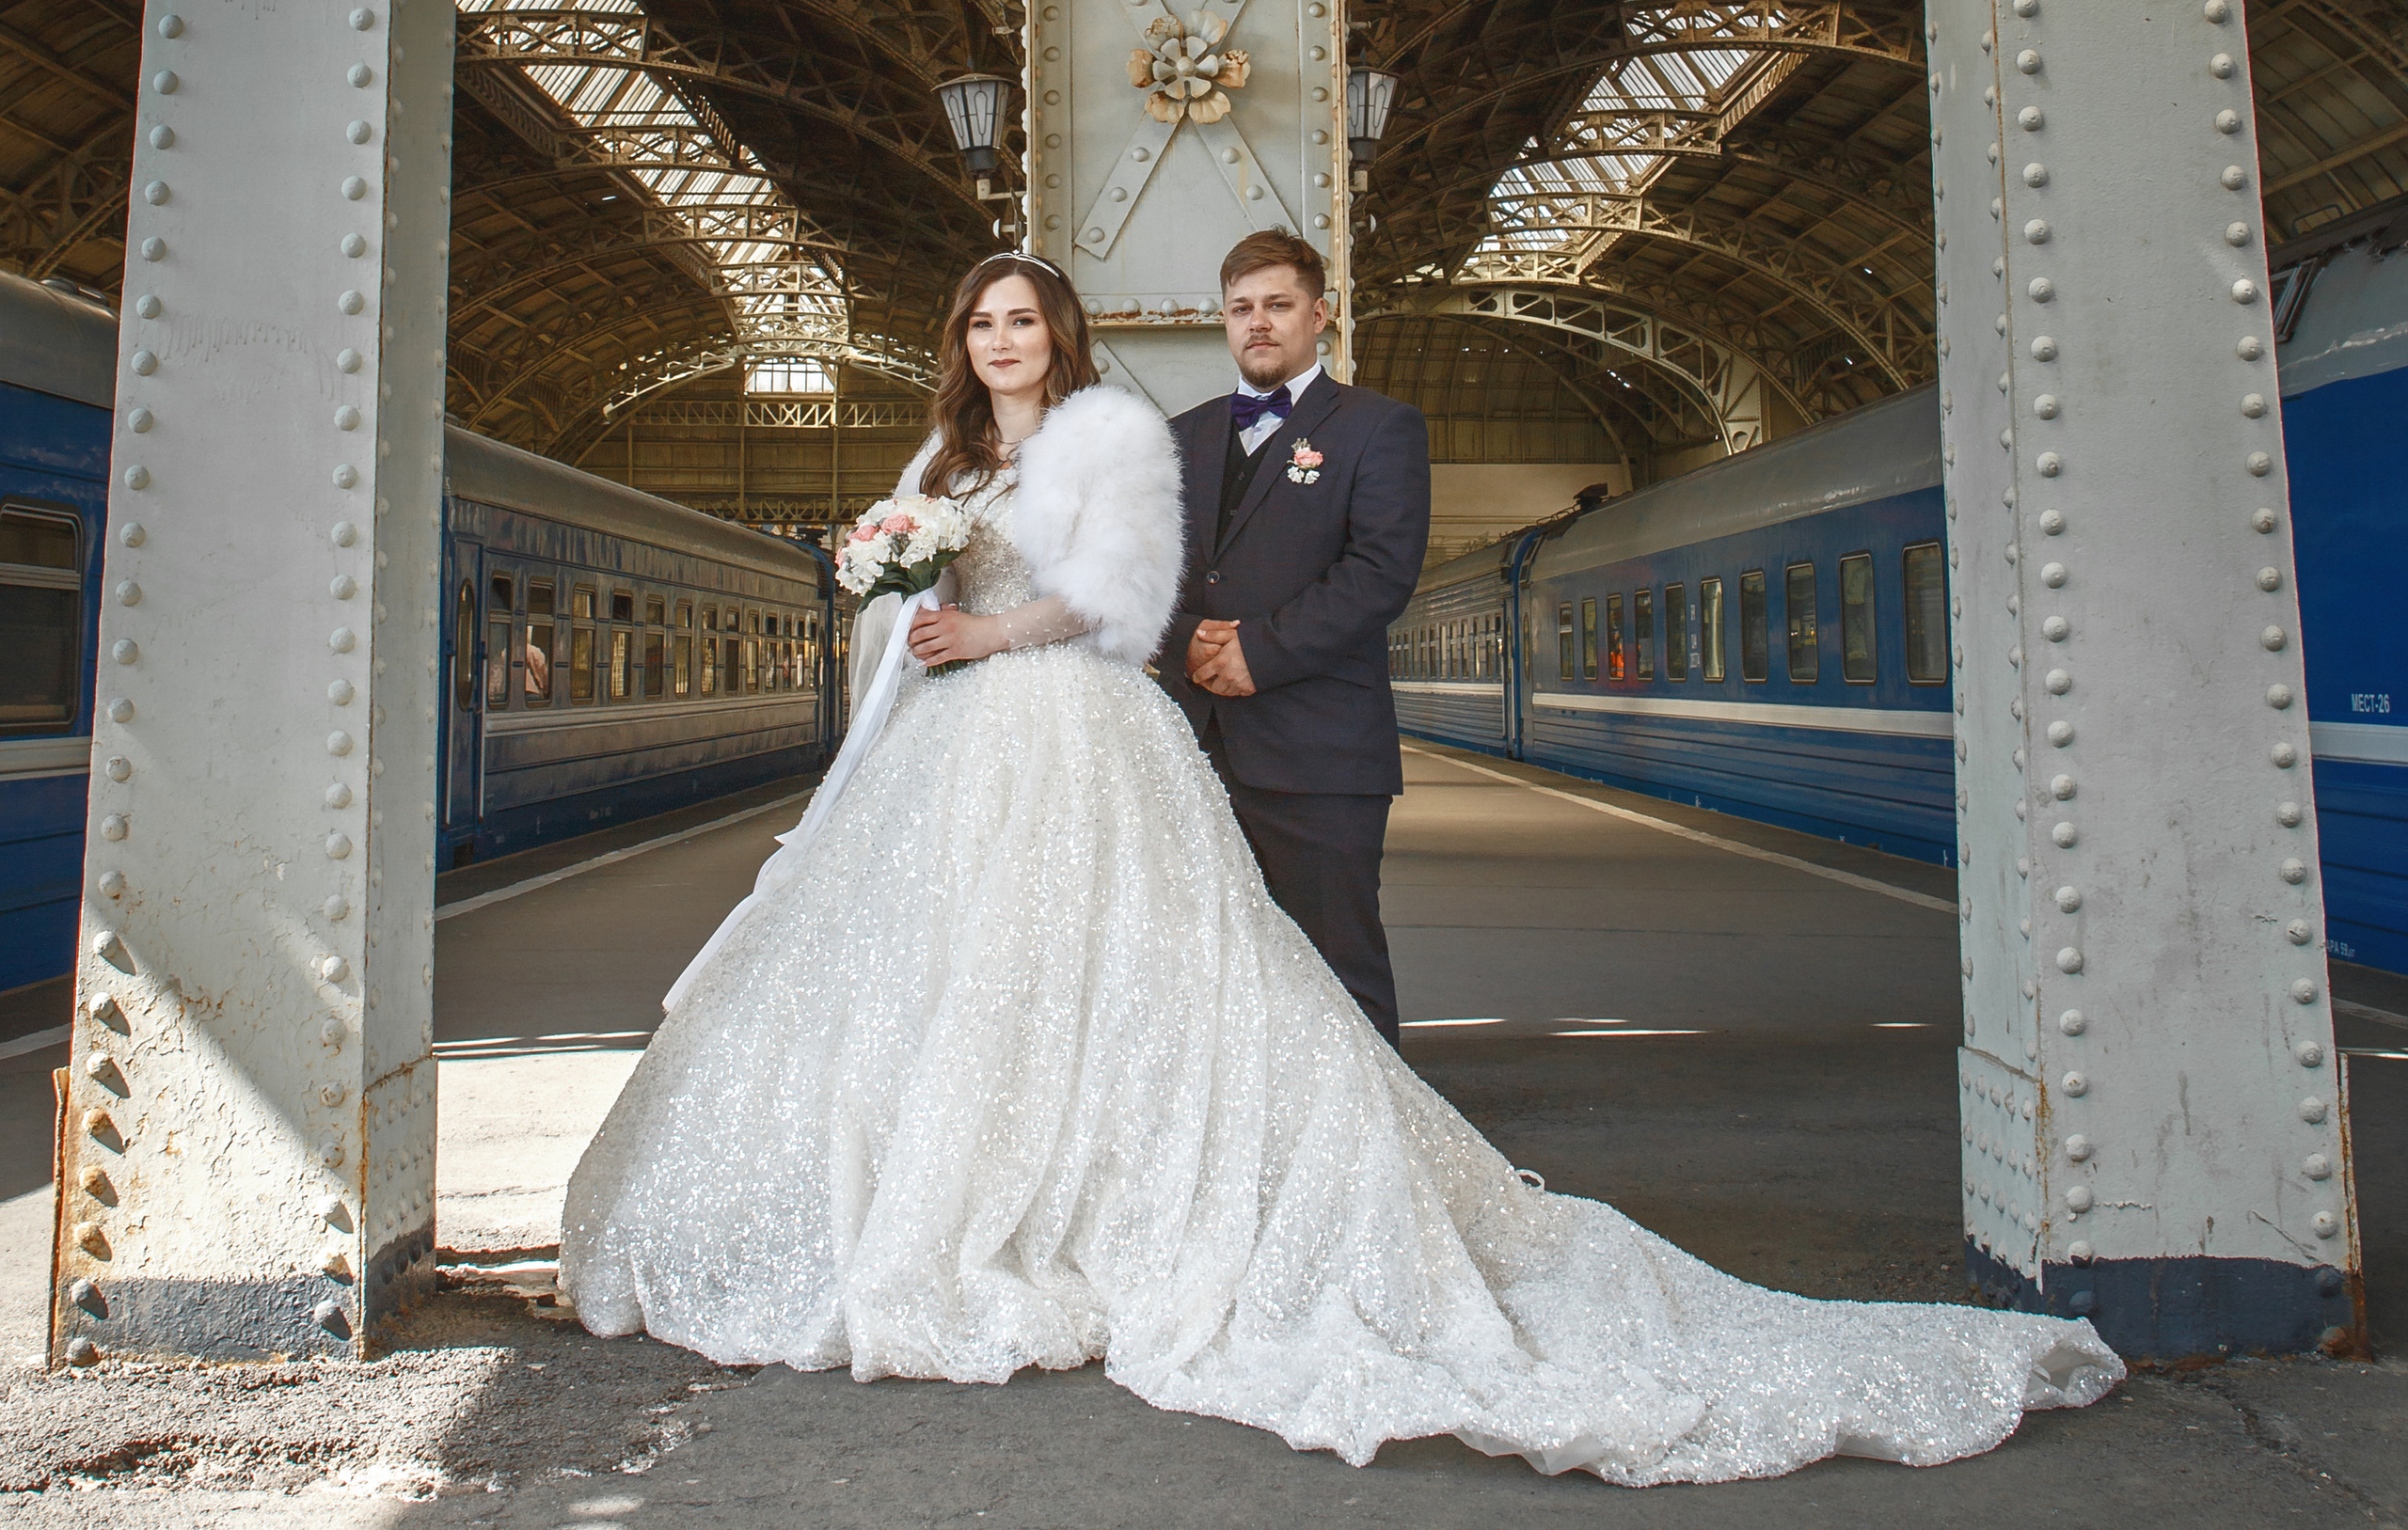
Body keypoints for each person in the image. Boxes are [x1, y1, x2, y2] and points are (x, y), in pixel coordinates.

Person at [559, 250, 2121, 1485]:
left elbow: (1126, 596)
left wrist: (982, 620)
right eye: (981, 321)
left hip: (1074, 732)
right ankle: (966, 1206)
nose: (1000, 340)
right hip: (961, 747)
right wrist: (899, 585)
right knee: (967, 981)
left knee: (1148, 977)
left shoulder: (1111, 434)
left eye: (1022, 318)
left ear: (1064, 331)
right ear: (960, 341)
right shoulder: (950, 450)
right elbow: (930, 577)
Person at [1158, 231, 1428, 1044]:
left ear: (1321, 314)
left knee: (1335, 965)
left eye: (1278, 305)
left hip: (1321, 755)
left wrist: (1258, 653)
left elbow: (1380, 572)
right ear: (1225, 322)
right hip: (1190, 747)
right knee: (1203, 969)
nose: (1259, 323)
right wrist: (1183, 641)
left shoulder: (1380, 428)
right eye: (1242, 308)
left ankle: (1372, 1155)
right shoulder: (1181, 436)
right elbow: (1142, 572)